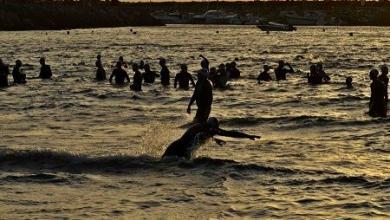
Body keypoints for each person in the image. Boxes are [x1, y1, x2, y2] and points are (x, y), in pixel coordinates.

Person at [162, 117, 260, 160]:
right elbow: (201, 135)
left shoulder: (209, 129)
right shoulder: (200, 127)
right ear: (207, 125)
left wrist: (248, 136)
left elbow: (229, 133)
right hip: (176, 148)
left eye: (215, 129)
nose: (214, 130)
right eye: (212, 128)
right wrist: (215, 139)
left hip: (183, 151)